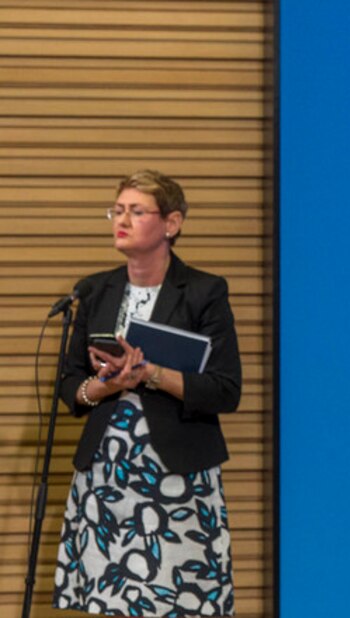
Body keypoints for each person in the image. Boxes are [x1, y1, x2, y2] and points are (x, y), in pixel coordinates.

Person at [53, 170, 242, 615]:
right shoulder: (94, 290)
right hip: (107, 475)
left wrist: (153, 374)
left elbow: (225, 389)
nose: (122, 219)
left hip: (177, 478)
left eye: (136, 211)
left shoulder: (203, 292)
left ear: (171, 224)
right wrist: (107, 385)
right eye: (117, 210)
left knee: (181, 600)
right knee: (111, 598)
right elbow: (69, 386)